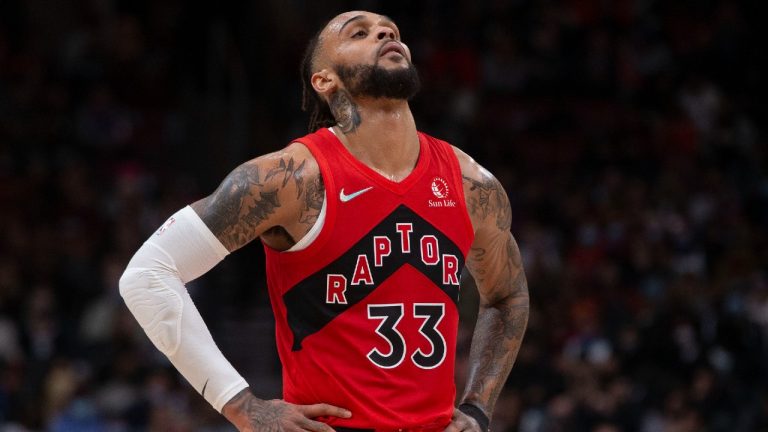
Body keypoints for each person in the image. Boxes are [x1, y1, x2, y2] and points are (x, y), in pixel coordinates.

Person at [119, 10, 529, 432]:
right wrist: (241, 405)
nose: (385, 32)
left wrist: (479, 408)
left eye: (390, 30)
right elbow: (147, 274)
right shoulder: (289, 180)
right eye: (360, 32)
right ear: (324, 80)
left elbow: (507, 296)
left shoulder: (470, 184)